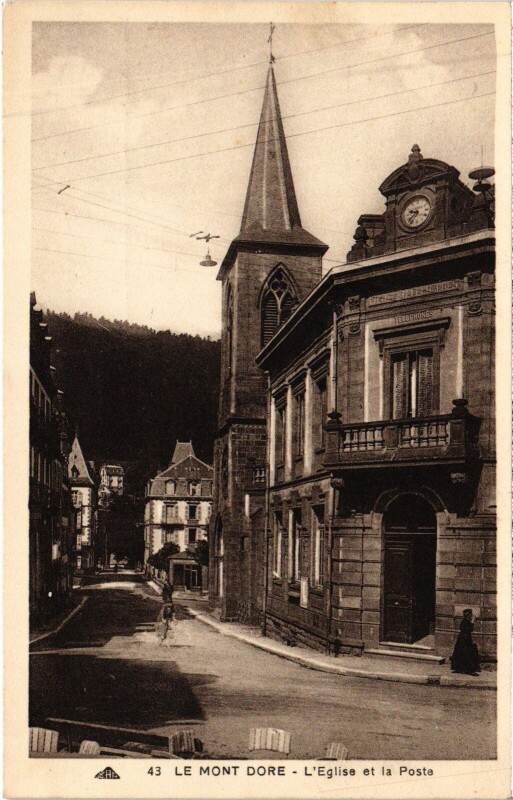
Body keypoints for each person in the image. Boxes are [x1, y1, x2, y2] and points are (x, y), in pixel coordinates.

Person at [450, 609, 480, 675]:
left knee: (461, 654)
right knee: (467, 654)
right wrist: (472, 622)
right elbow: (469, 629)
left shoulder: (464, 621)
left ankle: (461, 669)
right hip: (464, 640)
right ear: (468, 615)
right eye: (470, 615)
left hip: (463, 639)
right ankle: (469, 670)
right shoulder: (465, 622)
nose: (471, 616)